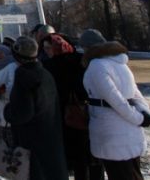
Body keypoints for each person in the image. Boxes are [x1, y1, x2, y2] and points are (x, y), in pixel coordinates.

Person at [80, 29, 150, 180]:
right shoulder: (120, 63)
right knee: (133, 173)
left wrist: (139, 119)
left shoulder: (97, 65)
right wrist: (144, 113)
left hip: (111, 130)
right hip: (129, 130)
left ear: (88, 47)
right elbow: (135, 94)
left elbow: (114, 99)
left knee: (120, 174)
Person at [4, 36, 69, 180]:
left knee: (33, 173)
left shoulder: (23, 76)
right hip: (49, 135)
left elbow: (23, 113)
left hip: (31, 139)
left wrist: (8, 111)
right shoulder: (45, 73)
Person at [42, 34, 104, 180]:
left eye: (48, 48)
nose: (46, 51)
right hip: (83, 114)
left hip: (74, 114)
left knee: (81, 159)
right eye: (44, 48)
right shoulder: (79, 60)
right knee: (89, 157)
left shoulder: (53, 66)